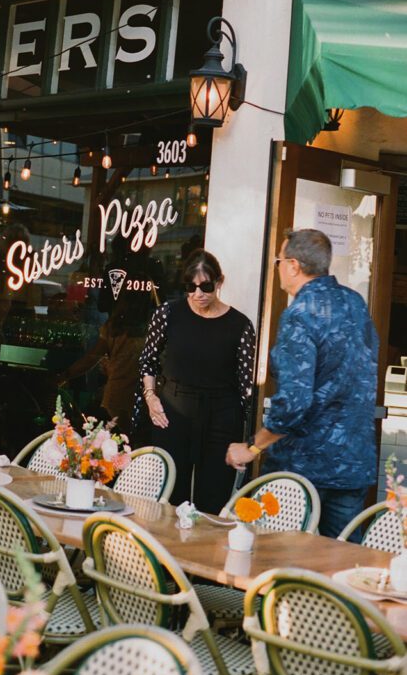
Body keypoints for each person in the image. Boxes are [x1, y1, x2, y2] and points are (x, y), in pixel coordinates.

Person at [226, 228, 378, 540]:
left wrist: (253, 447)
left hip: (304, 467)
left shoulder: (300, 314)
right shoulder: (355, 303)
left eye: (279, 261)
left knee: (279, 562)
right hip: (352, 462)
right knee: (342, 566)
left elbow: (294, 403)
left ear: (294, 265)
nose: (278, 267)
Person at [136, 249, 255, 512]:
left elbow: (247, 386)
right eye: (190, 286)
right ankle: (164, 551)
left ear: (220, 282)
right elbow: (148, 360)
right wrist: (150, 396)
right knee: (167, 492)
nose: (198, 293)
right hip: (174, 408)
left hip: (222, 414)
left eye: (206, 286)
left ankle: (205, 553)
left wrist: (247, 440)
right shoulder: (168, 313)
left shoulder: (241, 325)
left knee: (214, 497)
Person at [57, 296, 147, 434]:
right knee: (135, 441)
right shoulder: (153, 327)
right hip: (142, 393)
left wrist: (64, 376)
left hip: (117, 394)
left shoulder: (115, 327)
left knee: (115, 440)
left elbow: (91, 358)